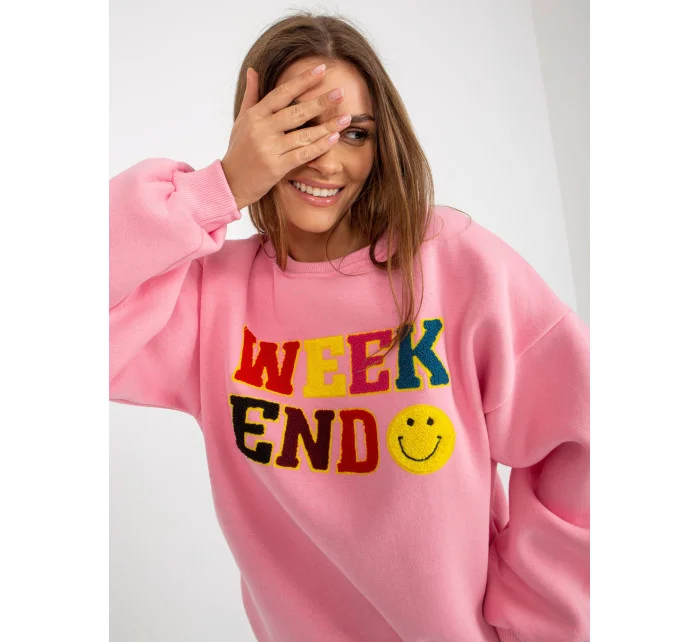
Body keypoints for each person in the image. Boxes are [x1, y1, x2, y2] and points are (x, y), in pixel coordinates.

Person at [109, 11, 590, 642]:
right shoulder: (207, 297)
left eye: (355, 134)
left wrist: (538, 621)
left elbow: (583, 435)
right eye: (298, 128)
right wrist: (216, 189)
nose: (328, 162)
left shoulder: (455, 264)